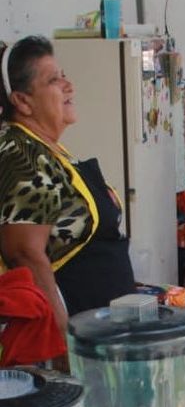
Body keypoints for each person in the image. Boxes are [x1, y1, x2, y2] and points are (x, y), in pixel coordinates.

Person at [0, 36, 136, 337]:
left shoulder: (47, 149)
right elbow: (24, 253)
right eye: (53, 80)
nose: (69, 85)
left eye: (63, 75)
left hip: (103, 329)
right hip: (74, 337)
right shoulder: (21, 155)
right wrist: (62, 339)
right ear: (22, 101)